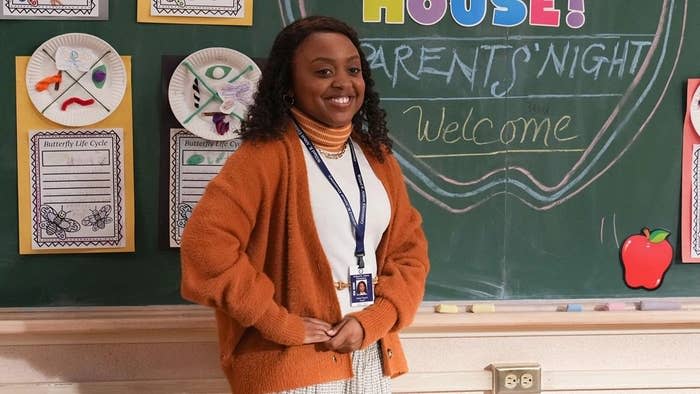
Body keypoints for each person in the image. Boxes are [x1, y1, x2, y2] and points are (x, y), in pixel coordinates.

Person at [180, 15, 430, 394]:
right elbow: (205, 247)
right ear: (289, 84)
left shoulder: (376, 157)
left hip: (369, 354)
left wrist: (375, 319)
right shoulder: (264, 156)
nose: (343, 82)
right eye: (323, 71)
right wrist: (276, 320)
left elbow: (409, 253)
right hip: (292, 360)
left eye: (353, 69)